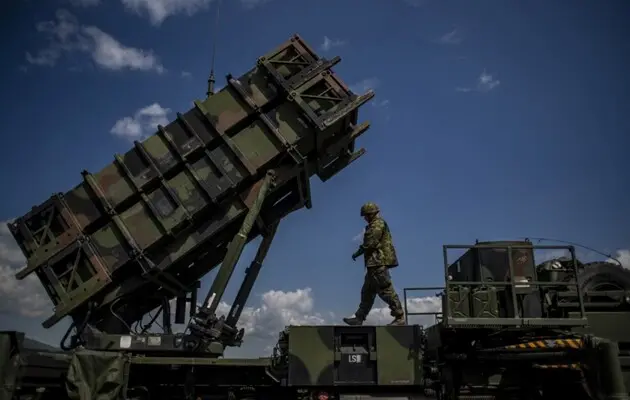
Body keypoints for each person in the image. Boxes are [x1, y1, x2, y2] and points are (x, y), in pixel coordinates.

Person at [343, 202, 405, 326]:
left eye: (365, 215)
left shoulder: (377, 224)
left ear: (371, 214)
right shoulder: (374, 224)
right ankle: (359, 318)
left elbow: (370, 242)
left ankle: (399, 316)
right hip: (373, 264)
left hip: (378, 262)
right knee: (367, 292)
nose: (364, 218)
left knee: (385, 290)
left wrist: (358, 252)